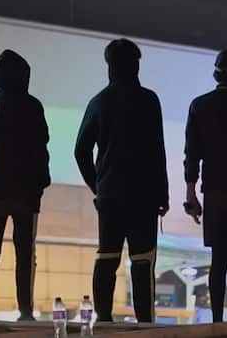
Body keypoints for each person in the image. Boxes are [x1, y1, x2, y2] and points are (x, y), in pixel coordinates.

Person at [75, 38, 170, 323]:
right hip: (143, 196)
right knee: (142, 261)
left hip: (111, 195)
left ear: (109, 66)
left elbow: (81, 150)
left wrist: (97, 185)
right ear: (136, 65)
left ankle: (103, 319)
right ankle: (144, 322)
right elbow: (157, 150)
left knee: (107, 257)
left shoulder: (99, 102)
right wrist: (162, 194)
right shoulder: (149, 100)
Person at [0, 49, 51, 321]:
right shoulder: (33, 106)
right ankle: (25, 310)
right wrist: (41, 182)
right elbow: (41, 149)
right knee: (25, 253)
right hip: (26, 193)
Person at [184, 47, 227, 324]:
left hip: (213, 191)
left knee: (218, 260)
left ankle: (215, 322)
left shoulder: (199, 105)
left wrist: (191, 194)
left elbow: (192, 154)